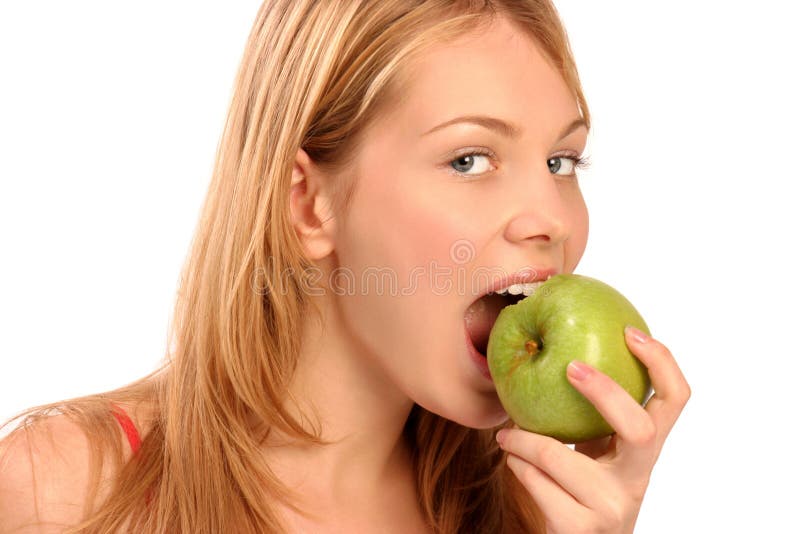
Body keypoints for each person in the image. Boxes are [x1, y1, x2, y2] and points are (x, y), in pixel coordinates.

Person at [0, 0, 690, 532]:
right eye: (468, 159)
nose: (553, 219)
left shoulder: (537, 512)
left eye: (560, 162)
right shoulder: (69, 491)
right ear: (308, 203)